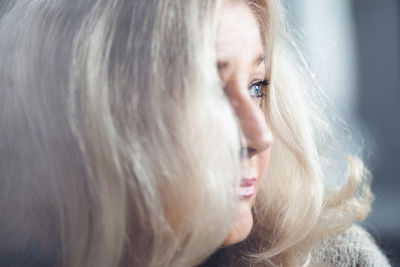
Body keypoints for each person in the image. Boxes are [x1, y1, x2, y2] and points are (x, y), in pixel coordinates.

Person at [0, 0, 391, 266]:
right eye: (210, 92)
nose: (260, 137)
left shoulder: (329, 259)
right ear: (96, 113)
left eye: (257, 86)